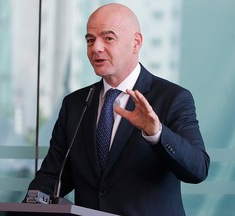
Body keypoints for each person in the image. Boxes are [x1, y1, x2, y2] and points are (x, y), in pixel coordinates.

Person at [24, 3, 210, 216]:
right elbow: (52, 177)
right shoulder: (75, 104)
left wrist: (157, 133)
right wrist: (18, 212)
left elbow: (198, 169)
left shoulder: (172, 98)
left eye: (108, 38)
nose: (96, 48)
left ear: (136, 42)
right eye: (90, 40)